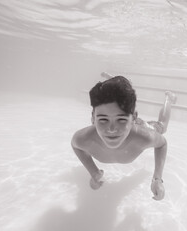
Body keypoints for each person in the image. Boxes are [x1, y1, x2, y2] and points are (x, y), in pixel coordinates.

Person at [71, 73, 176, 201]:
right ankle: (116, 84)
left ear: (134, 118)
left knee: (162, 127)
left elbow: (162, 144)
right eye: (103, 119)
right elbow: (75, 146)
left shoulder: (143, 137)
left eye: (121, 119)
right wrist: (93, 171)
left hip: (139, 125)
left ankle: (169, 98)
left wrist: (157, 179)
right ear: (93, 118)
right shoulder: (83, 138)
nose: (111, 129)